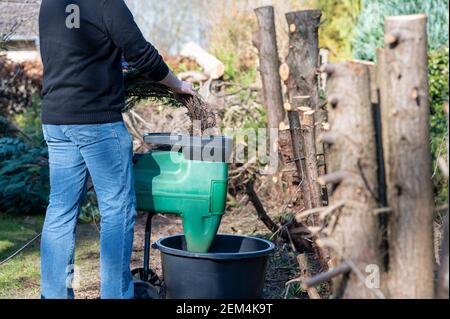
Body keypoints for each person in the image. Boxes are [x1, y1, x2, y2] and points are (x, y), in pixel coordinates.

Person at [38, 0, 194, 299]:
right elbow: (142, 53)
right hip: (97, 122)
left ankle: (53, 294)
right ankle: (116, 294)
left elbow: (70, 54)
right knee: (116, 209)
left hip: (57, 119)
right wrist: (177, 85)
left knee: (60, 210)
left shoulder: (51, 3)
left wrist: (110, 62)